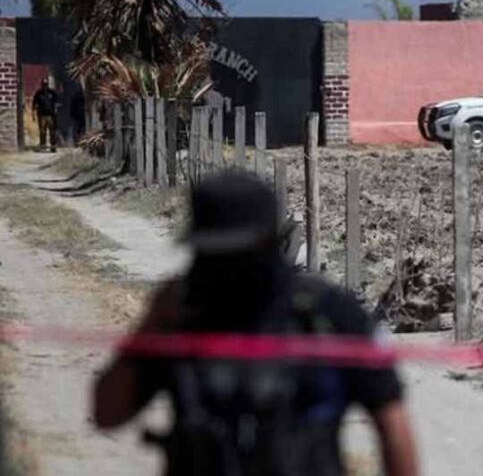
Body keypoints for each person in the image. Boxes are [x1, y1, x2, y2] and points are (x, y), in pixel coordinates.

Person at [92, 172, 420, 476]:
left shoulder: (326, 313)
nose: (226, 271)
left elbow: (392, 422)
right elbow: (107, 412)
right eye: (213, 256)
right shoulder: (181, 314)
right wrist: (153, 325)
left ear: (270, 245)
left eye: (238, 255)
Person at [32, 79, 59, 152]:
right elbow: (34, 104)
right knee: (42, 131)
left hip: (51, 115)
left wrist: (56, 111)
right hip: (42, 115)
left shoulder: (52, 93)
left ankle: (53, 146)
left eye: (46, 84)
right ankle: (43, 146)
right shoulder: (38, 93)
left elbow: (56, 102)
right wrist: (33, 114)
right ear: (41, 85)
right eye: (43, 84)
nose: (45, 86)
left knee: (52, 131)